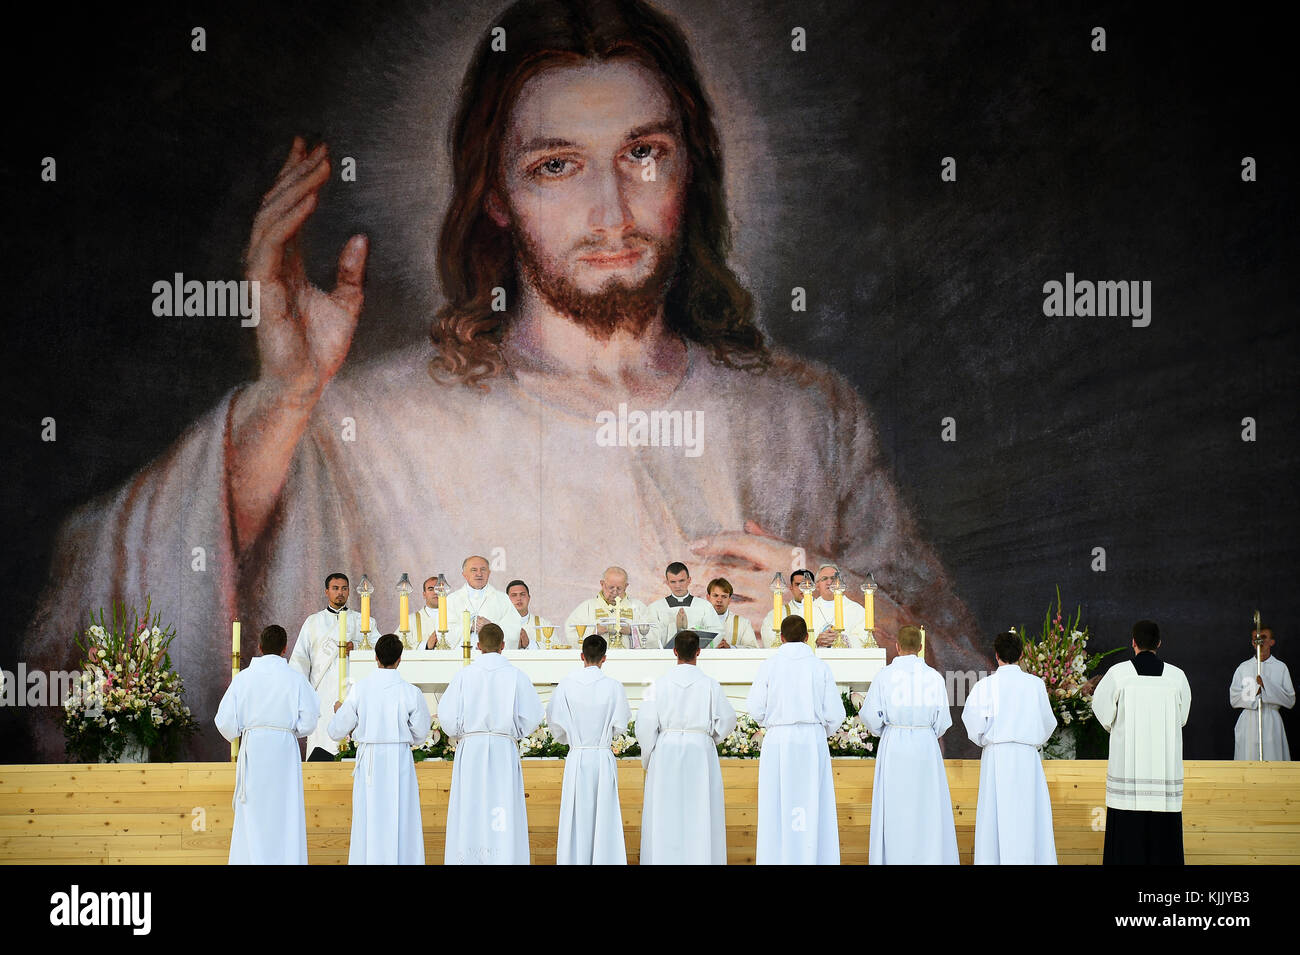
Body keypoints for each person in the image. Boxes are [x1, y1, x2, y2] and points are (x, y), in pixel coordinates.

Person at [20, 0, 981, 760]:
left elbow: (979, 711)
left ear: (693, 164)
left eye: (643, 154)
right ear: (494, 193)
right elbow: (89, 668)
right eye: (557, 164)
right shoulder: (369, 428)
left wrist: (869, 624)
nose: (612, 209)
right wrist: (279, 410)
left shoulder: (805, 419)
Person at [439, 622, 544, 864]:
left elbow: (447, 719)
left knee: (471, 807)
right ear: (503, 646)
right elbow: (532, 717)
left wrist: (461, 732)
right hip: (502, 748)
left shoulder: (465, 675)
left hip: (472, 749)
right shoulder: (516, 676)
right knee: (503, 806)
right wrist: (514, 732)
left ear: (478, 646)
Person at [214, 624, 319, 864]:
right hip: (284, 750)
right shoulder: (296, 679)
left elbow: (225, 721)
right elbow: (309, 721)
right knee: (285, 812)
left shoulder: (244, 679)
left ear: (260, 647)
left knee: (254, 813)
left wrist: (243, 730)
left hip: (255, 749)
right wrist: (292, 729)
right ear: (285, 649)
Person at [1093, 620, 1192, 865]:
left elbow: (1103, 713)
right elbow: (1182, 719)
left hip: (1128, 776)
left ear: (1133, 642)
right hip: (1163, 776)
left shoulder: (1118, 674)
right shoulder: (1176, 677)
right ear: (1159, 643)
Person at [327, 633, 430, 864]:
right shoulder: (410, 691)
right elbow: (421, 732)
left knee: (369, 818)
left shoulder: (360, 689)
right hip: (399, 759)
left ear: (375, 657)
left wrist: (345, 719)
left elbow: (335, 731)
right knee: (402, 816)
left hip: (371, 760)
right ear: (400, 659)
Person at [746, 615, 842, 863]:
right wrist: (821, 733)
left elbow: (755, 708)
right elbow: (834, 714)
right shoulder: (819, 667)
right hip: (812, 740)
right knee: (811, 802)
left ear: (781, 637)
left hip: (779, 739)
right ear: (807, 637)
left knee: (776, 805)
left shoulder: (770, 665)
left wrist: (772, 722)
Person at [635, 630, 736, 864]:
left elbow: (646, 724)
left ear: (675, 652)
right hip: (699, 750)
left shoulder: (658, 685)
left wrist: (648, 754)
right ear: (699, 652)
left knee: (665, 813)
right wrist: (710, 738)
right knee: (699, 812)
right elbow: (728, 719)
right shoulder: (710, 684)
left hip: (667, 749)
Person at [861, 624, 958, 864]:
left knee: (895, 809)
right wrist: (925, 732)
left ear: (897, 646)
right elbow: (943, 721)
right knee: (926, 808)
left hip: (894, 745)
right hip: (925, 746)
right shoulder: (933, 677)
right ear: (921, 647)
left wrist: (886, 729)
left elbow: (871, 716)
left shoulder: (885, 676)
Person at [961, 629, 1058, 864]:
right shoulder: (1035, 685)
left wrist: (987, 741)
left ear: (996, 655)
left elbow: (972, 724)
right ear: (1022, 655)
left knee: (994, 819)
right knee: (1028, 817)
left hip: (997, 756)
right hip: (1027, 757)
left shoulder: (985, 686)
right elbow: (1048, 723)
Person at [546, 634, 631, 864]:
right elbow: (621, 725)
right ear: (604, 658)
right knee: (604, 815)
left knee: (577, 816)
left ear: (582, 656)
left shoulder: (566, 685)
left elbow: (555, 724)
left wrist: (571, 739)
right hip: (602, 756)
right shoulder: (613, 686)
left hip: (578, 755)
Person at [288, 574, 379, 760]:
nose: (340, 593)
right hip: (323, 695)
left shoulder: (364, 621)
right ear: (326, 591)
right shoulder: (313, 622)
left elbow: (381, 653)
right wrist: (301, 698)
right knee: (324, 744)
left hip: (355, 691)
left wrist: (358, 646)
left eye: (344, 588)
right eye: (335, 588)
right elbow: (300, 662)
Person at [1230, 628, 1294, 760]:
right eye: (1256, 638)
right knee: (1248, 759)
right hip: (1249, 721)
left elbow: (1290, 699)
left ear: (1271, 642)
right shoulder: (1244, 667)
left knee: (1272, 759)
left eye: (1263, 637)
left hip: (1271, 719)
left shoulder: (1280, 667)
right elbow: (1234, 699)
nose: (1259, 641)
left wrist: (1267, 685)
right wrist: (1255, 689)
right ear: (1253, 643)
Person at [565, 567, 651, 646]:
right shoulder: (587, 607)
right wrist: (595, 631)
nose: (615, 592)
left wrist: (631, 631)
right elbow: (571, 631)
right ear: (602, 584)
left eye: (619, 588)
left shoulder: (638, 607)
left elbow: (655, 634)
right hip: (598, 659)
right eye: (611, 587)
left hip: (628, 659)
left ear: (626, 586)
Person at [442, 555, 516, 647]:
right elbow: (444, 632)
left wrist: (491, 627)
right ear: (464, 574)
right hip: (461, 656)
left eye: (483, 569)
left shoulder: (502, 599)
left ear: (489, 573)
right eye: (474, 570)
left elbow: (514, 631)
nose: (479, 574)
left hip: (492, 656)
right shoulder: (452, 600)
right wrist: (469, 627)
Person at [646, 562, 713, 647]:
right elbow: (650, 638)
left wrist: (689, 630)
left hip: (698, 657)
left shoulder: (705, 606)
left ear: (689, 580)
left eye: (681, 581)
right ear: (667, 583)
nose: (678, 586)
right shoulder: (655, 608)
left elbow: (715, 632)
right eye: (673, 582)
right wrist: (675, 627)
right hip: (666, 658)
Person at [806, 564, 868, 648]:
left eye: (833, 578)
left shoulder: (856, 610)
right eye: (824, 579)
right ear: (817, 585)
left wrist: (843, 640)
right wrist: (815, 641)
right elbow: (799, 640)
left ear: (840, 583)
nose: (829, 582)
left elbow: (865, 640)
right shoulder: (806, 610)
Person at [758, 568, 813, 648]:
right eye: (798, 584)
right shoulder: (774, 614)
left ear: (813, 587)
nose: (802, 588)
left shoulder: (822, 610)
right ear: (791, 588)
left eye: (806, 585)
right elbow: (769, 639)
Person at [700, 577, 758, 648]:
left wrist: (730, 647)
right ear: (708, 598)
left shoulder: (743, 623)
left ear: (729, 600)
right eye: (715, 596)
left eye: (724, 596)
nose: (719, 600)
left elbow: (753, 649)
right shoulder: (698, 622)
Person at [394, 576, 442, 648]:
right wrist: (425, 645)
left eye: (438, 589)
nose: (435, 592)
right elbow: (396, 647)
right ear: (424, 594)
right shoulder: (410, 620)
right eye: (431, 589)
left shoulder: (455, 617)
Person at [504, 579, 552, 650]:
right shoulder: (499, 625)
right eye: (514, 595)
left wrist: (530, 644)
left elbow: (556, 652)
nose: (519, 598)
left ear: (529, 598)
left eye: (522, 594)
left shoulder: (544, 625)